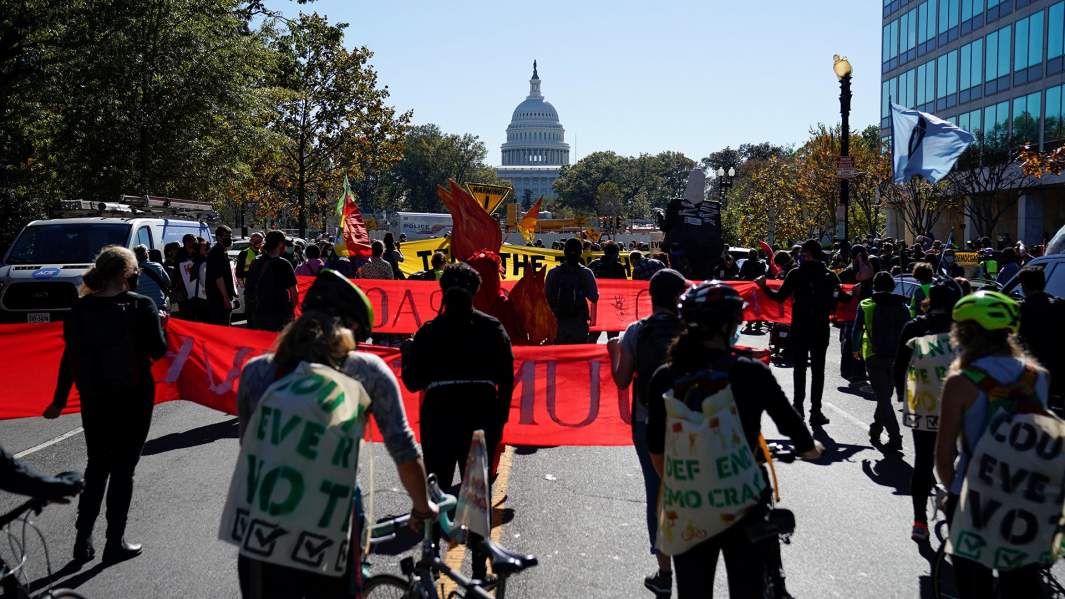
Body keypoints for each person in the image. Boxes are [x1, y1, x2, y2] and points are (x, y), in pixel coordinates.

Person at [230, 270, 436, 598]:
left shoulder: (256, 372)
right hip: (333, 522)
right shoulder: (367, 371)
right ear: (350, 330)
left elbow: (249, 445)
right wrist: (422, 506)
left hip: (263, 523)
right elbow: (404, 449)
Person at [646, 281, 822, 598]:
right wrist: (809, 449)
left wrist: (693, 482)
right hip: (744, 507)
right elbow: (793, 427)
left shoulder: (664, 377)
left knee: (692, 591)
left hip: (690, 508)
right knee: (748, 588)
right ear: (730, 325)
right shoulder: (751, 373)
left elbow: (656, 451)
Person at [45, 246, 167, 563]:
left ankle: (82, 540)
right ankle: (115, 542)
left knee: (97, 466)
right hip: (134, 397)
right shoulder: (141, 306)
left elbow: (69, 359)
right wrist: (160, 324)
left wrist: (59, 400)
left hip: (95, 397)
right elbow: (158, 351)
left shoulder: (78, 310)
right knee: (123, 471)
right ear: (130, 274)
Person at [401, 262, 514, 583]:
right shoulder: (493, 328)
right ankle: (480, 569)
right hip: (481, 418)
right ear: (476, 293)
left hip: (439, 419)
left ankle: (432, 560)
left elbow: (412, 382)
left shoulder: (428, 332)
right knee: (476, 496)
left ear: (442, 293)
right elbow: (506, 378)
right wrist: (499, 422)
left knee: (437, 493)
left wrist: (409, 354)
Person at [936, 291, 1048, 598]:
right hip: (1025, 496)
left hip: (973, 496)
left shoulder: (961, 382)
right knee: (1020, 583)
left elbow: (944, 457)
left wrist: (951, 492)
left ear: (966, 331)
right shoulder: (1037, 377)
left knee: (974, 587)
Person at [606, 269, 688, 596]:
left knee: (656, 491)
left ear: (650, 296)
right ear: (680, 296)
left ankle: (665, 570)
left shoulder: (636, 332)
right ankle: (695, 560)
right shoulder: (694, 331)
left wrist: (613, 351)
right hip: (691, 423)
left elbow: (623, 380)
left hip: (648, 422)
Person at [893, 282, 958, 543]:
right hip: (958, 404)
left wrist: (900, 393)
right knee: (958, 460)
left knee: (922, 462)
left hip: (922, 402)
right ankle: (955, 511)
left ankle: (919, 521)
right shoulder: (962, 330)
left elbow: (899, 365)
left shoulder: (915, 326)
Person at [755, 239, 842, 425]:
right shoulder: (830, 276)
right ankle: (815, 411)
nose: (799, 255)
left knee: (800, 369)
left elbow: (779, 298)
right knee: (818, 371)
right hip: (820, 329)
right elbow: (844, 298)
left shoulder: (797, 273)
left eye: (802, 252)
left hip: (800, 327)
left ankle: (798, 407)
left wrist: (763, 287)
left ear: (809, 253)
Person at [851, 272, 910, 451]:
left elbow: (857, 330)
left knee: (883, 397)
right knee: (885, 395)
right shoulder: (903, 306)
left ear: (875, 286)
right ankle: (876, 429)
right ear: (893, 286)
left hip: (873, 355)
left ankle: (894, 436)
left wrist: (855, 349)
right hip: (897, 357)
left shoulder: (866, 304)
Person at [1016, 265, 1065, 408]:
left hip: (1033, 375)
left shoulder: (1022, 309)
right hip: (1059, 373)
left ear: (1024, 286)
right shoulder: (1060, 305)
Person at [545, 238, 599, 344]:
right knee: (578, 356)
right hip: (579, 322)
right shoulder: (586, 273)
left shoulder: (553, 273)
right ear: (581, 253)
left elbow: (547, 297)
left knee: (559, 356)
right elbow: (594, 297)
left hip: (558, 322)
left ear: (564, 252)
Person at [249, 231, 298, 332]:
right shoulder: (284, 264)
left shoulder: (256, 261)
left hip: (259, 311)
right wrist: (291, 312)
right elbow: (294, 292)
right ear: (280, 244)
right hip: (279, 312)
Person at [205, 225, 237, 326]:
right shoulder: (216, 253)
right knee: (222, 325)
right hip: (218, 298)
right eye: (226, 236)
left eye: (230, 236)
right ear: (218, 237)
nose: (229, 238)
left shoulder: (222, 251)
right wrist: (225, 298)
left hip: (220, 297)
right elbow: (218, 277)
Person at [133, 244, 170, 311]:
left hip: (143, 306)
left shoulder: (133, 271)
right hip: (159, 304)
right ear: (147, 254)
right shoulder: (158, 266)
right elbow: (168, 282)